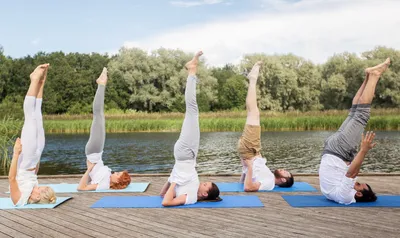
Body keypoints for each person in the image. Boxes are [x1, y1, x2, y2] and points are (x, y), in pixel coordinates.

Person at [319, 58, 391, 204]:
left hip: (339, 150)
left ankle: (375, 75)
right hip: (332, 149)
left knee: (362, 115)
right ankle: (368, 76)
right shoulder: (338, 192)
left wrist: (363, 150)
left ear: (358, 194)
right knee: (354, 112)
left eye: (358, 185)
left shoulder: (345, 196)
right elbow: (351, 170)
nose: (356, 182)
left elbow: (351, 173)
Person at [160, 51, 220, 206]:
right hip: (185, 155)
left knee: (192, 110)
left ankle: (192, 70)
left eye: (206, 184)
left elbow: (166, 202)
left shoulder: (192, 196)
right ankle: (191, 70)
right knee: (191, 112)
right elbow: (162, 194)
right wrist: (172, 180)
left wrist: (175, 182)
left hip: (186, 153)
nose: (204, 182)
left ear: (204, 193)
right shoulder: (191, 186)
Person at [238, 61, 294, 192]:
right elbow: (244, 181)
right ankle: (252, 79)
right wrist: (245, 170)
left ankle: (252, 79)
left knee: (254, 112)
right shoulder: (268, 177)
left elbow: (247, 188)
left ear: (283, 180)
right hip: (252, 151)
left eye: (286, 173)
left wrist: (249, 166)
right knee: (253, 112)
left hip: (250, 151)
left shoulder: (269, 183)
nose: (284, 170)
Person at [8, 64, 56, 206]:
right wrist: (38, 157)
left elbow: (11, 178)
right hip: (34, 158)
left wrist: (16, 153)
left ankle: (34, 80)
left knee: (30, 117)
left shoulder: (20, 199)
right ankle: (41, 83)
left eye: (40, 189)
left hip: (24, 160)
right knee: (38, 115)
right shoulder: (33, 189)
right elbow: (34, 173)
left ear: (36, 198)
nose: (38, 187)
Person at [77, 68, 131, 191]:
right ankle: (101, 84)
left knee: (98, 114)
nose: (116, 172)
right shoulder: (106, 181)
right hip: (97, 152)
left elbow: (81, 188)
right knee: (99, 116)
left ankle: (101, 84)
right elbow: (91, 179)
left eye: (118, 174)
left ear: (117, 181)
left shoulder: (104, 185)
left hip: (93, 152)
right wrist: (90, 174)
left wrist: (89, 170)